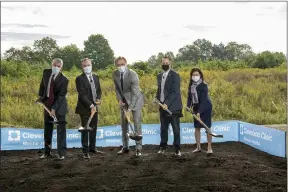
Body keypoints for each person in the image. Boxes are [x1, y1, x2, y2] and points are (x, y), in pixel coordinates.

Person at [112, 56, 144, 157]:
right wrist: (119, 100)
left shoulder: (132, 74)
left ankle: (138, 148)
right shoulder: (115, 74)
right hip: (124, 101)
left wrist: (130, 108)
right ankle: (125, 147)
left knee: (136, 124)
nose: (120, 66)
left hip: (136, 100)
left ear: (126, 64)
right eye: (118, 65)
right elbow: (117, 88)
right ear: (116, 66)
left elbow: (135, 92)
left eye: (122, 64)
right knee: (124, 125)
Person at [37, 58, 68, 160]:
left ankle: (61, 153)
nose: (56, 67)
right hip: (47, 105)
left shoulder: (64, 80)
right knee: (47, 129)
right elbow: (42, 86)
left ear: (61, 67)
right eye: (55, 65)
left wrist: (54, 109)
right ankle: (47, 152)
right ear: (51, 64)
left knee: (61, 130)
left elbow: (61, 96)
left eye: (58, 66)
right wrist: (41, 98)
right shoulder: (46, 73)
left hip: (59, 107)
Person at [155, 56, 183, 156]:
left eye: (167, 63)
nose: (165, 64)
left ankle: (177, 149)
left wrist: (167, 103)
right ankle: (162, 147)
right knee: (163, 128)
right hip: (162, 107)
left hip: (173, 107)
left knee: (176, 129)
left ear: (170, 64)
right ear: (161, 63)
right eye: (163, 63)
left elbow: (175, 92)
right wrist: (157, 98)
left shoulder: (175, 75)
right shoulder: (159, 75)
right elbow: (160, 90)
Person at [75, 58, 102, 159]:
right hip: (85, 107)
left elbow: (99, 90)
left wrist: (98, 99)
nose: (87, 67)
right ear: (82, 67)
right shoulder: (79, 79)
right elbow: (82, 95)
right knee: (85, 129)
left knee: (93, 128)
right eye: (84, 65)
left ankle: (92, 148)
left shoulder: (96, 77)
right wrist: (91, 105)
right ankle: (85, 151)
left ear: (91, 65)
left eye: (88, 65)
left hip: (95, 107)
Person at [186, 68, 213, 154]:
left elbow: (204, 100)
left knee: (207, 127)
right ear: (191, 76)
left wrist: (199, 112)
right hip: (196, 108)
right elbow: (190, 98)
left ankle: (209, 148)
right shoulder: (191, 85)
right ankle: (198, 147)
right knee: (197, 128)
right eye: (193, 75)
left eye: (197, 75)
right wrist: (188, 106)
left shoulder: (204, 85)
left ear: (200, 75)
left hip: (206, 108)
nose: (195, 76)